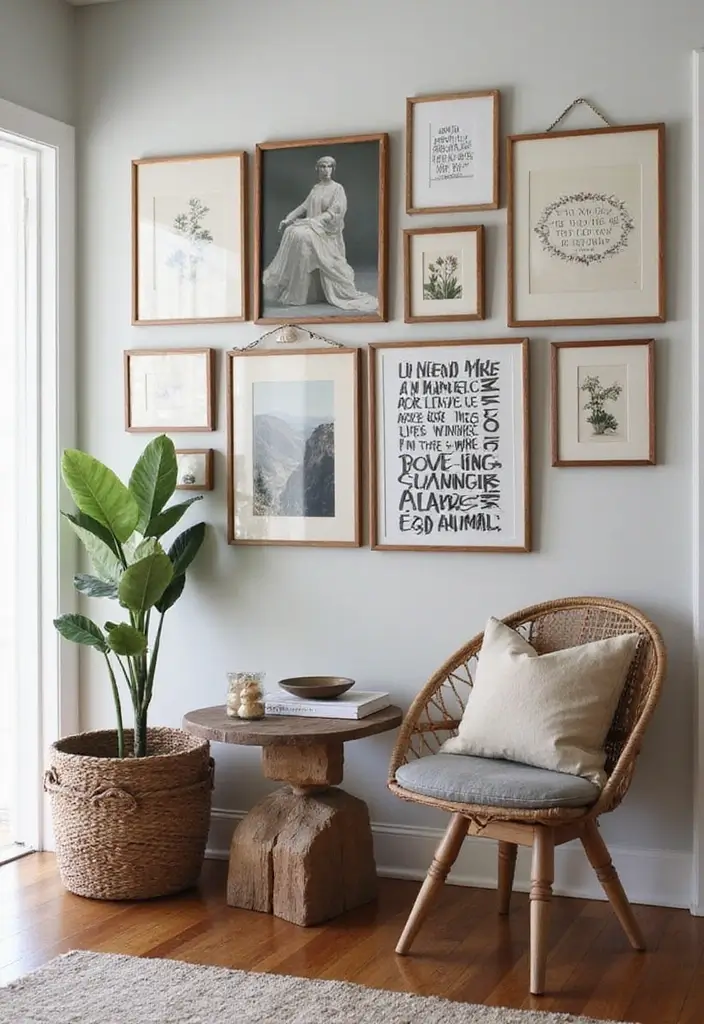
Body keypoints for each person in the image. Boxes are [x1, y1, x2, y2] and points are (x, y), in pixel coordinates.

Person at [262, 155, 378, 312]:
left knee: (301, 235)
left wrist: (313, 221)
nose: (326, 169)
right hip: (314, 226)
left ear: (333, 169)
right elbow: (304, 206)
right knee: (291, 230)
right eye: (323, 166)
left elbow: (334, 212)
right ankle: (299, 291)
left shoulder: (338, 189)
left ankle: (305, 291)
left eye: (329, 166)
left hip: (327, 231)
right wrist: (288, 218)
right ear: (317, 169)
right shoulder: (316, 188)